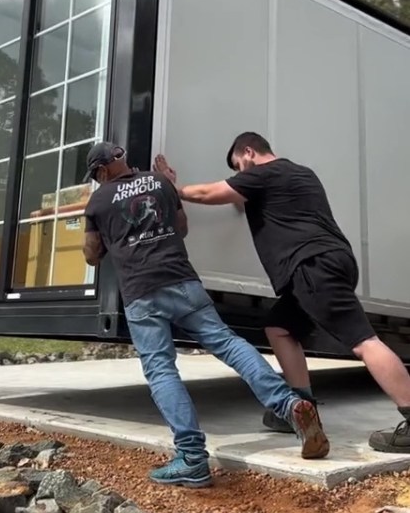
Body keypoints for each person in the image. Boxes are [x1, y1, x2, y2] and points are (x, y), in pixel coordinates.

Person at [82, 141, 329, 488]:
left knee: (160, 368)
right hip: (183, 281)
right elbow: (181, 227)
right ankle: (289, 404)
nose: (96, 180)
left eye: (95, 174)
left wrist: (99, 230)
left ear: (103, 170)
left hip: (142, 292)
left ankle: (192, 458)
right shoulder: (159, 181)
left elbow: (92, 256)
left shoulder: (98, 200)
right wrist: (168, 188)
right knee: (228, 343)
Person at [154, 132, 410, 455]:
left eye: (238, 166)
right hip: (330, 262)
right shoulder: (301, 174)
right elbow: (243, 198)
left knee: (363, 341)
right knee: (279, 327)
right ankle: (302, 408)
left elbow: (209, 193)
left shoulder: (264, 175)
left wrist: (170, 188)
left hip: (311, 266)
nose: (239, 174)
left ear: (249, 152)